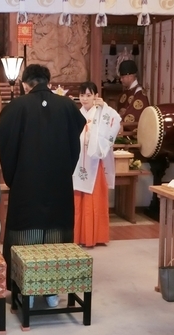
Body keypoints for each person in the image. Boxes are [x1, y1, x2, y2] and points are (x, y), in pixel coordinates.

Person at [0, 64, 85, 308]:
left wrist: (14, 177)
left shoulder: (15, 108)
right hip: (58, 182)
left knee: (27, 231)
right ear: (48, 80)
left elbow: (5, 141)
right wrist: (64, 170)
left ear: (26, 84)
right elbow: (74, 145)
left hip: (26, 183)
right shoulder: (67, 106)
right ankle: (53, 290)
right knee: (56, 232)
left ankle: (25, 288)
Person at [73, 82, 121, 247]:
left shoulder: (102, 112)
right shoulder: (76, 113)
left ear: (95, 96)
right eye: (82, 95)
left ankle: (95, 236)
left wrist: (105, 107)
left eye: (88, 95)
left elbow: (115, 121)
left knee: (94, 198)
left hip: (95, 162)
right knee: (78, 199)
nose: (85, 99)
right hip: (78, 162)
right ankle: (79, 235)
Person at [117, 60, 149, 129]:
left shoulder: (139, 93)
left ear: (130, 76)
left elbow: (135, 115)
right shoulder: (125, 92)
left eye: (122, 77)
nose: (121, 80)